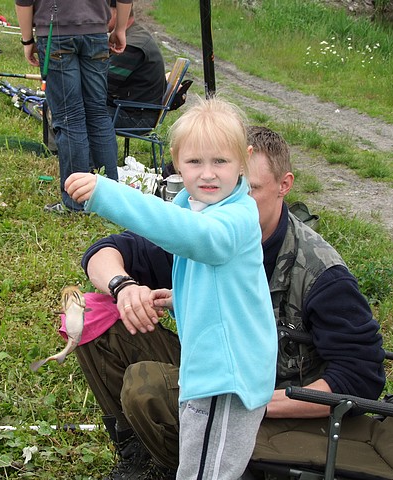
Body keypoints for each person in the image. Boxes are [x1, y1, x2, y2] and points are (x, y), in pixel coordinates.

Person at [75, 126, 386, 478]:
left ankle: (180, 464)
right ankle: (138, 452)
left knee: (147, 385)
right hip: (213, 367)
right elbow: (106, 251)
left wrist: (259, 403)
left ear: (284, 185)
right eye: (230, 183)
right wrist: (123, 286)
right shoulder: (202, 223)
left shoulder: (322, 274)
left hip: (272, 402)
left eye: (249, 188)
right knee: (91, 316)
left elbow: (361, 375)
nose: (233, 196)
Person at [66, 97, 277, 480]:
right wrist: (183, 300)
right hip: (208, 369)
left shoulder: (237, 216)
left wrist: (109, 195)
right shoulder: (194, 205)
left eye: (221, 161)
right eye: (195, 162)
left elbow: (195, 237)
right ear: (177, 161)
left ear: (243, 160)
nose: (208, 174)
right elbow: (231, 289)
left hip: (226, 379)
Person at [14, 0, 132, 213]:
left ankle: (76, 203)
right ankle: (109, 199)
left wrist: (27, 39)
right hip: (95, 32)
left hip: (55, 33)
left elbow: (23, 2)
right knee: (98, 113)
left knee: (70, 118)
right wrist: (120, 29)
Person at [107, 0, 166, 130]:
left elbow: (103, 86)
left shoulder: (132, 46)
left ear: (117, 12)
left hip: (137, 117)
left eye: (104, 10)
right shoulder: (135, 34)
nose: (100, 17)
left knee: (75, 113)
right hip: (133, 110)